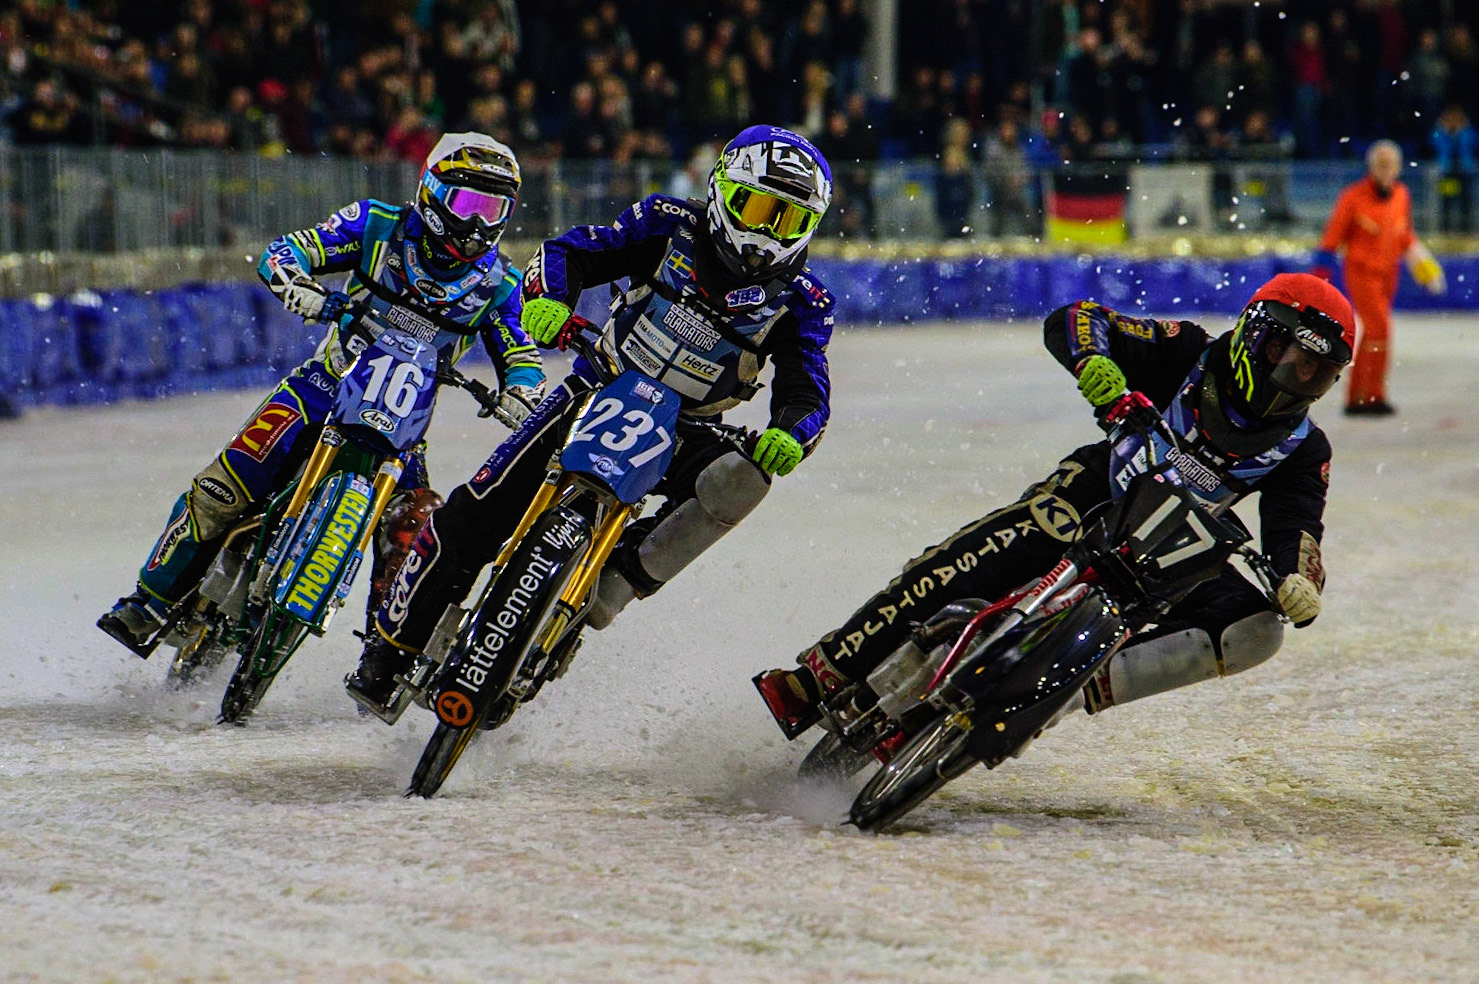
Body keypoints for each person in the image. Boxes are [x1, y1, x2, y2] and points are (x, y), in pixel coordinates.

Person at [347, 124, 837, 711]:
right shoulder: (666, 221)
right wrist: (551, 297)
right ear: (722, 190)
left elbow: (808, 391)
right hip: (597, 385)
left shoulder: (805, 300)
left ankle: (617, 581)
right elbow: (569, 251)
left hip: (692, 429)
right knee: (470, 519)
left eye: (786, 221)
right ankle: (389, 651)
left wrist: (790, 433)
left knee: (744, 481)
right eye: (756, 209)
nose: (763, 234)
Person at [757, 273, 1353, 736]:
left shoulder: (1305, 447)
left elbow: (1296, 528)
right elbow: (1077, 319)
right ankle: (821, 674)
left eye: (1318, 374)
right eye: (1294, 359)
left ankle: (1068, 690)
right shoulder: (1189, 351)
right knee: (982, 556)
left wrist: (1298, 580)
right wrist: (1094, 361)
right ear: (1258, 333)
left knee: (1256, 630)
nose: (1299, 381)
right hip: (1099, 491)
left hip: (1171, 559)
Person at [98, 133, 546, 654]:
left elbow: (521, 354)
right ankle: (148, 601)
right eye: (467, 203)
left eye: (493, 208)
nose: (477, 223)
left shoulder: (500, 285)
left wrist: (523, 393)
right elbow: (289, 251)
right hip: (322, 387)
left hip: (404, 428)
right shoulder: (376, 223)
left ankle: (385, 654)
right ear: (431, 189)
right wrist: (300, 286)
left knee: (416, 528)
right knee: (226, 485)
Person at [1314, 140, 1446, 416]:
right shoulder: (1353, 196)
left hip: (1389, 273)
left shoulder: (1401, 195)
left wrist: (1425, 267)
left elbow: (1405, 235)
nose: (1386, 171)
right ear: (1372, 168)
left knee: (1376, 333)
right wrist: (1320, 280)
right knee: (1379, 329)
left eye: (1391, 166)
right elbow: (1332, 237)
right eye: (1381, 165)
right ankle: (1367, 396)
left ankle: (1363, 396)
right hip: (1362, 273)